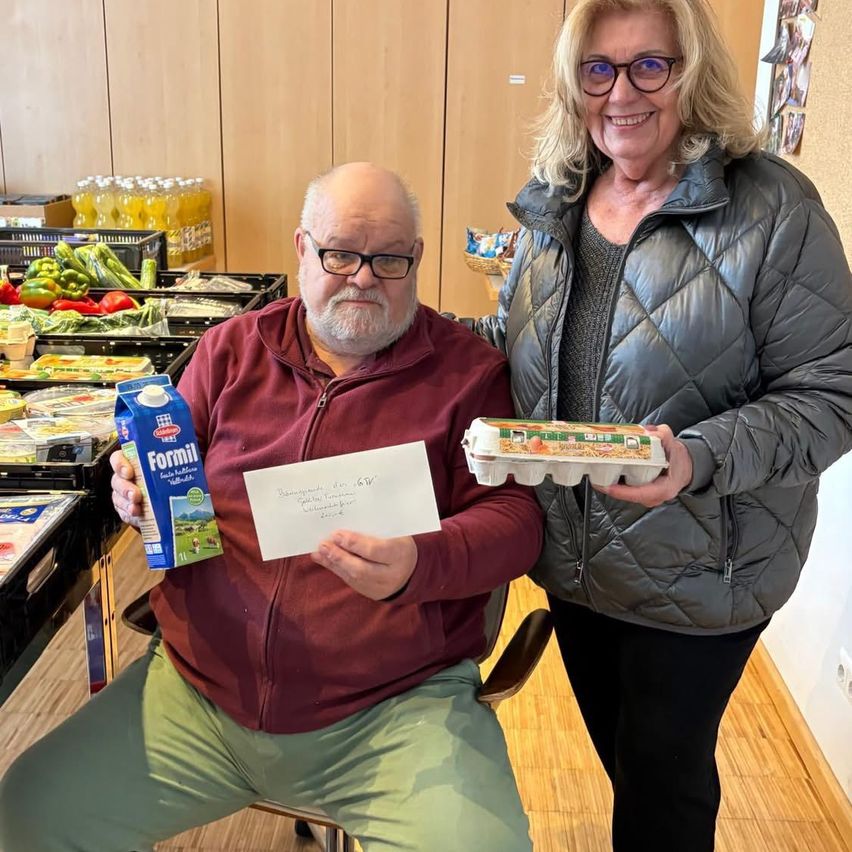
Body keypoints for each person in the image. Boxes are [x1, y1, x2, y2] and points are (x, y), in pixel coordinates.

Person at [0, 163, 544, 852]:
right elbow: (163, 465)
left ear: (417, 259)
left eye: (390, 259)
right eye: (340, 253)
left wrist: (419, 560)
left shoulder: (466, 374)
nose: (364, 277)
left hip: (394, 711)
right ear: (301, 250)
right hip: (200, 695)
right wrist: (136, 492)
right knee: (31, 812)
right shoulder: (230, 350)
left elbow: (516, 524)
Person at [470, 1, 852, 850]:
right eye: (598, 70)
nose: (622, 93)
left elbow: (832, 391)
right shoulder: (558, 201)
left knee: (662, 784)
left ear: (694, 72)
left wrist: (700, 457)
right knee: (629, 762)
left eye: (651, 65)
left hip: (703, 568)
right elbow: (513, 346)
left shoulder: (775, 209)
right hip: (573, 560)